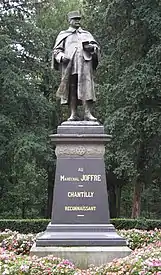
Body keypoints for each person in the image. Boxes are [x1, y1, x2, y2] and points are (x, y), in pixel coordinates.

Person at [52, 11, 100, 121]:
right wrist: (61, 57)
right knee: (71, 88)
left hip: (84, 65)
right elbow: (56, 51)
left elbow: (96, 47)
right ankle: (73, 114)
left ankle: (87, 113)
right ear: (69, 21)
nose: (77, 21)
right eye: (75, 19)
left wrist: (92, 48)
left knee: (86, 88)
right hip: (70, 65)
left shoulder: (86, 34)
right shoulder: (63, 34)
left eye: (79, 19)